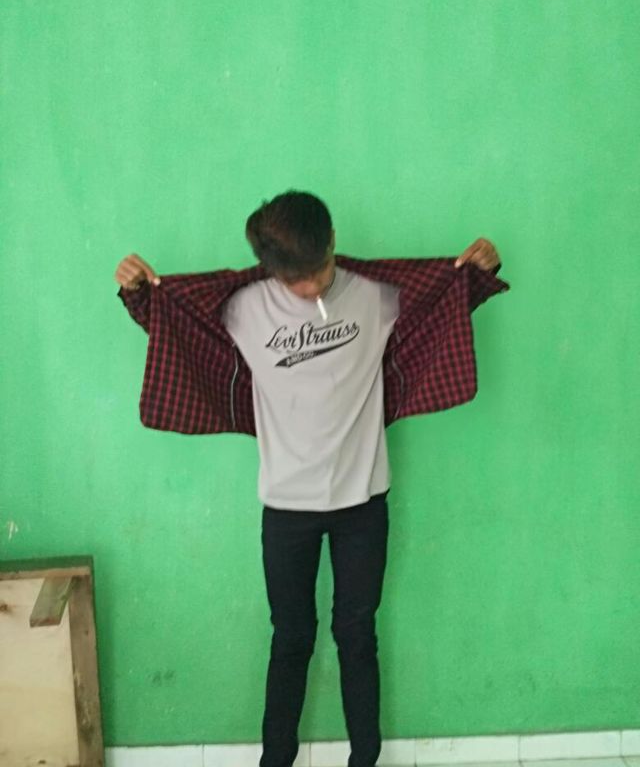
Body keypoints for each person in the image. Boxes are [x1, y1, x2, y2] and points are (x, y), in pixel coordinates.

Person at [115, 190, 506, 767]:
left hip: (363, 502)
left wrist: (483, 266)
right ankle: (275, 761)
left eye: (319, 269)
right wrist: (136, 290)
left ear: (332, 243)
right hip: (286, 508)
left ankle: (365, 759)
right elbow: (170, 320)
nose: (311, 286)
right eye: (295, 279)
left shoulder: (376, 294)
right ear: (270, 269)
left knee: (357, 635)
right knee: (291, 639)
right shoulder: (241, 307)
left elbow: (452, 297)